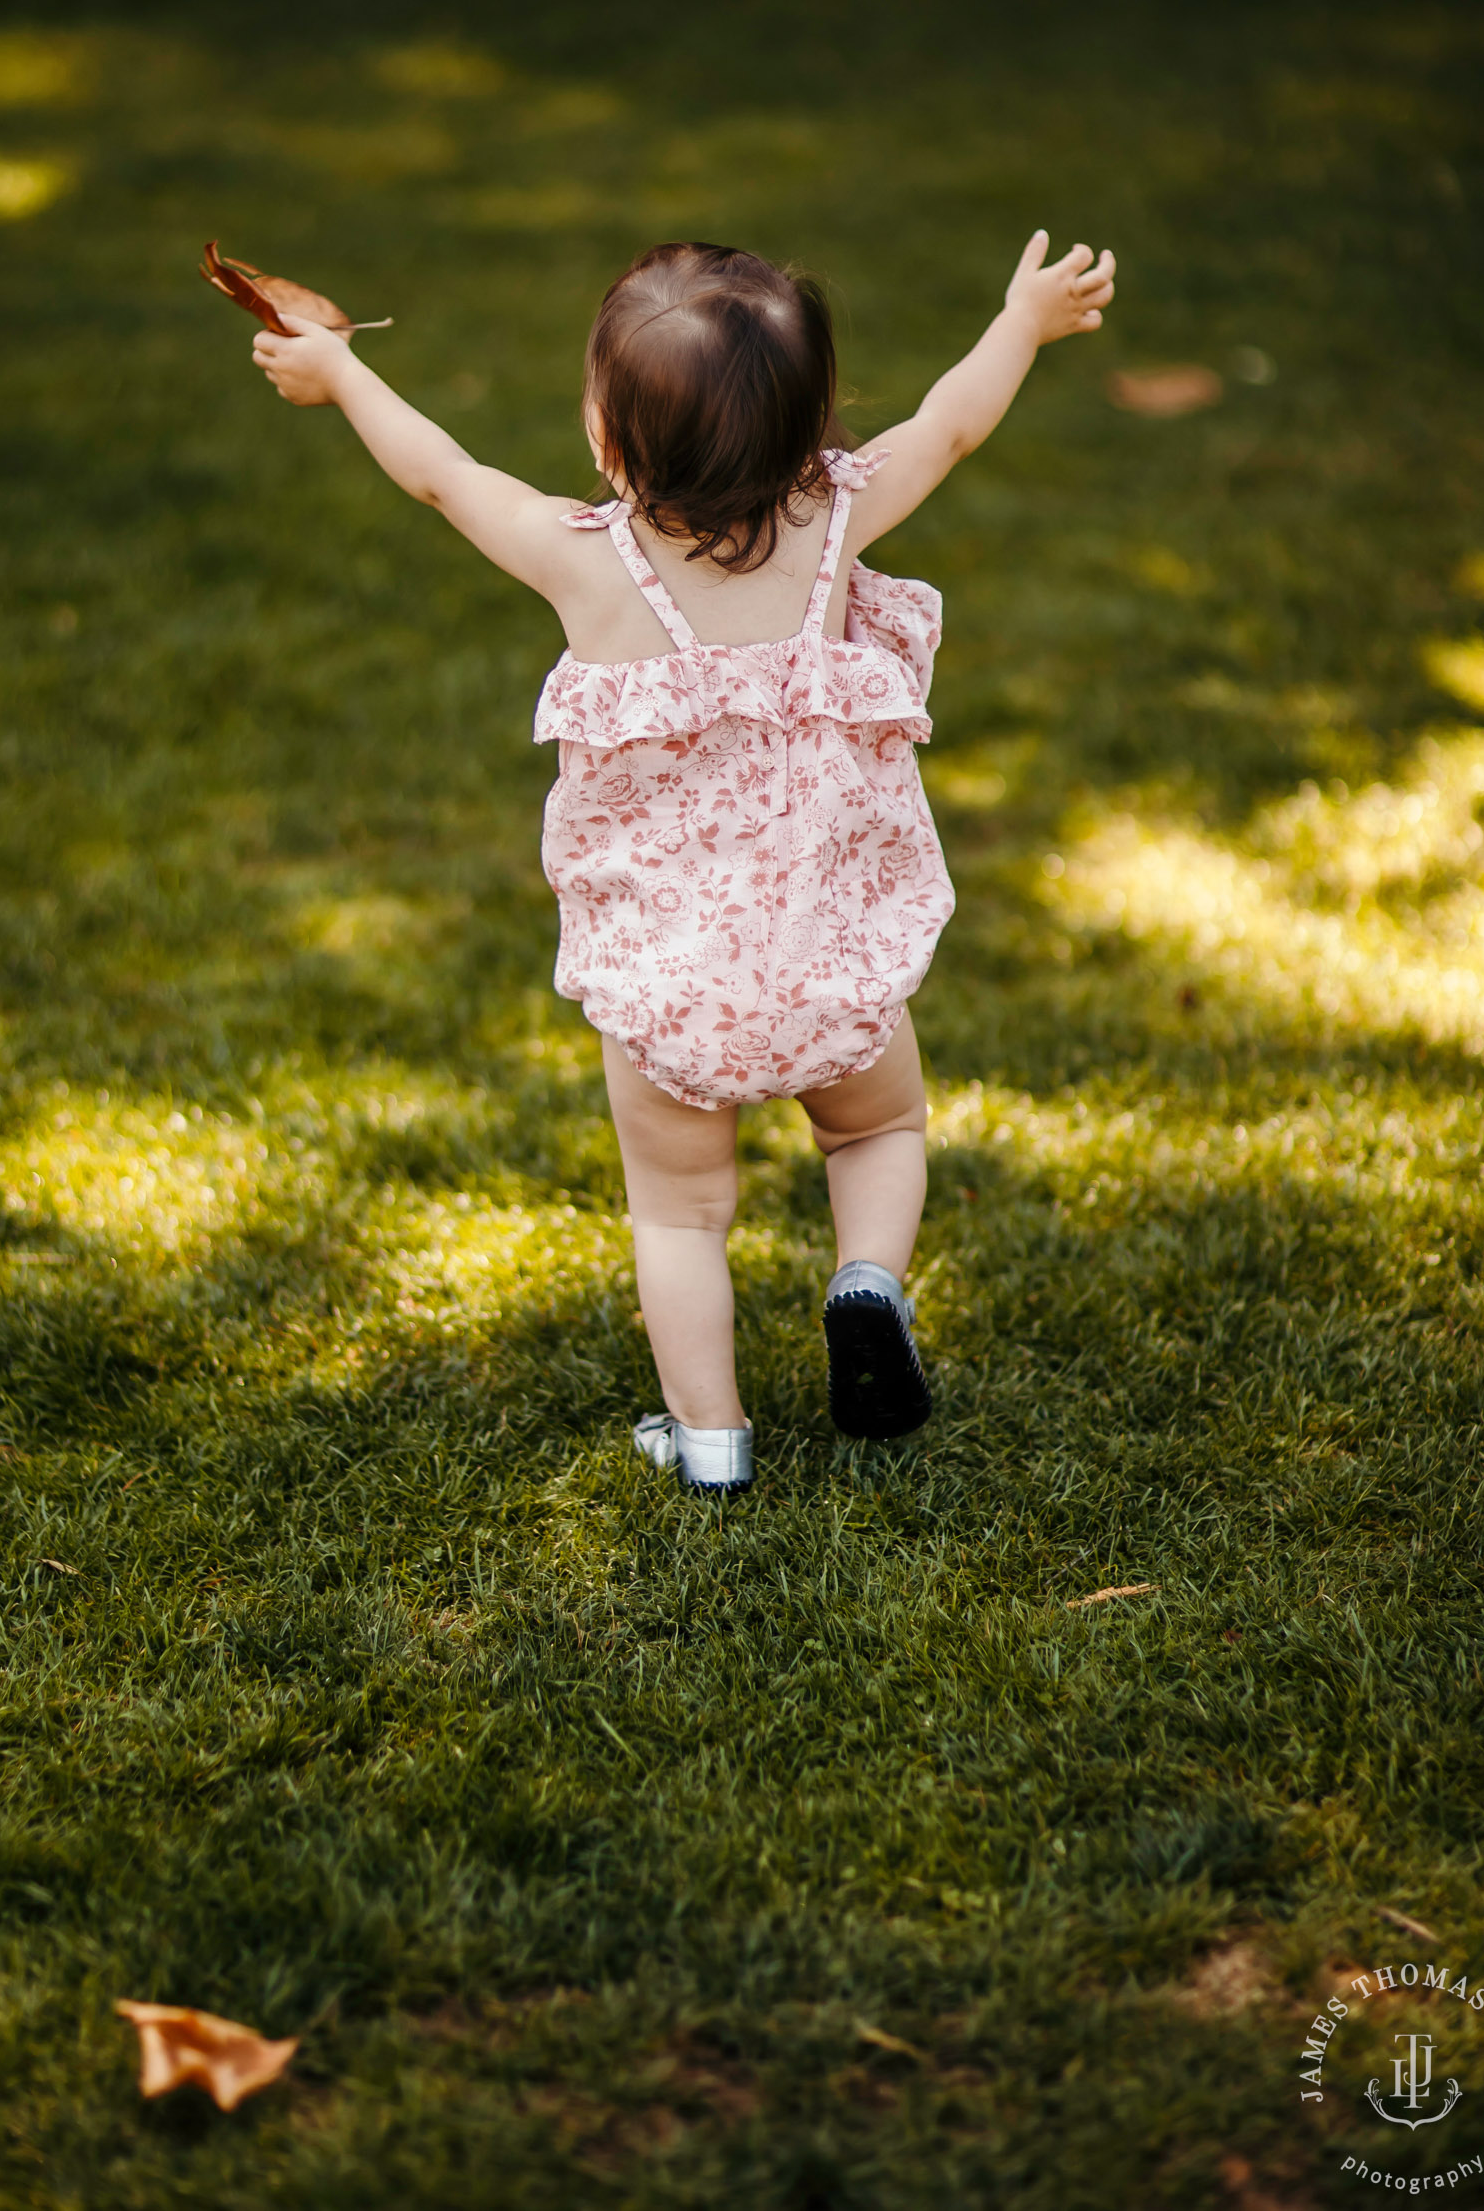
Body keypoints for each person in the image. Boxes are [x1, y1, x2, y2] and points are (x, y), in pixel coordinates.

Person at [253, 229, 1115, 1493]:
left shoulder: (578, 559)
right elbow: (950, 424)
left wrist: (341, 372)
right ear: (805, 427)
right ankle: (864, 1281)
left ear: (608, 440)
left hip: (671, 981)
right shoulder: (835, 517)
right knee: (879, 1128)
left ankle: (708, 1440)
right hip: (829, 949)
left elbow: (440, 474)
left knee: (678, 1212)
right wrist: (1019, 323)